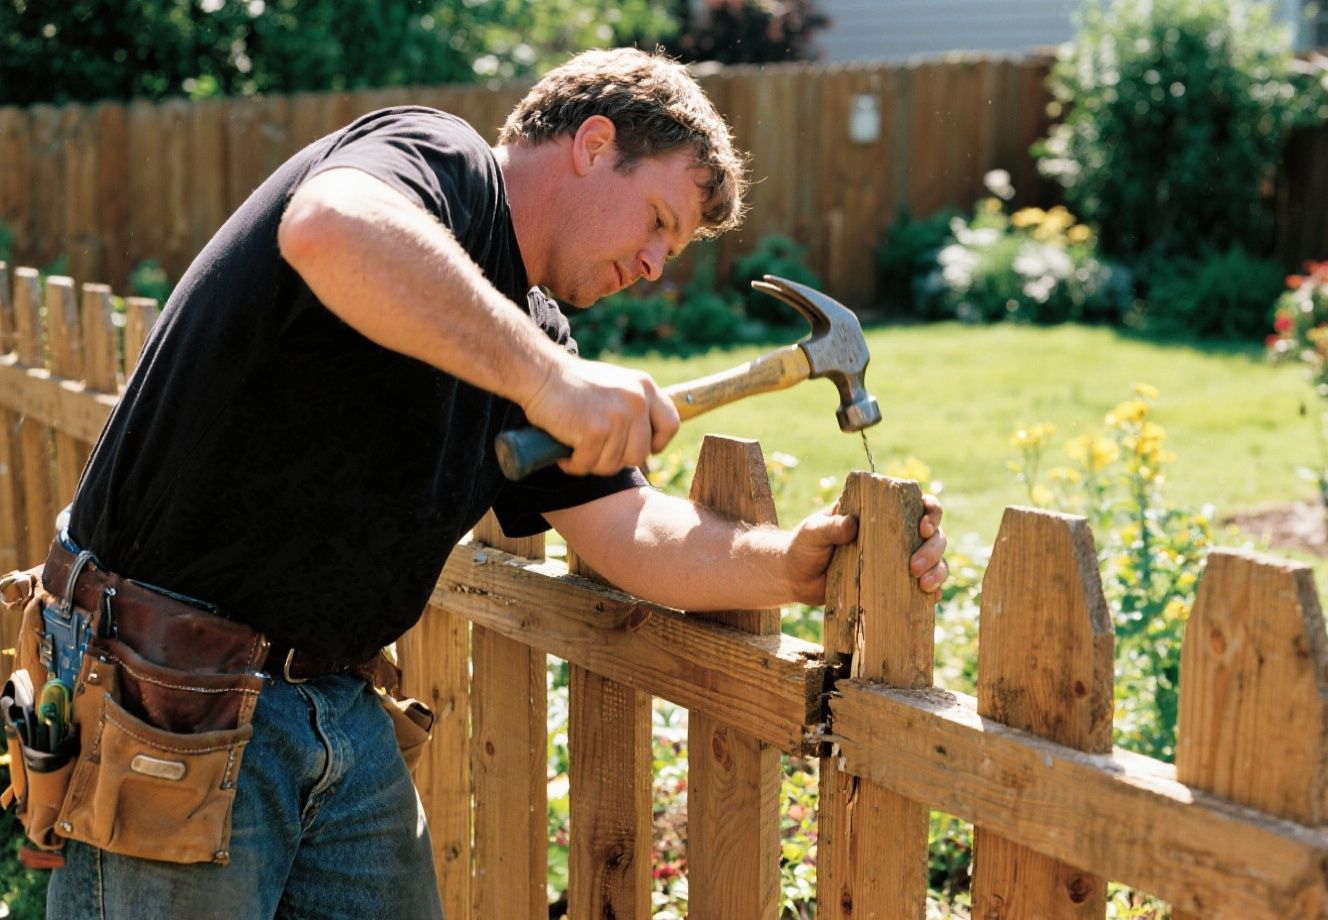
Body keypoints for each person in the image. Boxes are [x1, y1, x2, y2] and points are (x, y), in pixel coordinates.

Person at [43, 47, 947, 918]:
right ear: (595, 146)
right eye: (659, 224)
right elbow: (328, 226)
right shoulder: (439, 162)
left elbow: (625, 526)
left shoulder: (532, 335)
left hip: (335, 708)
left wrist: (791, 564)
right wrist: (550, 384)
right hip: (170, 689)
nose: (652, 266)